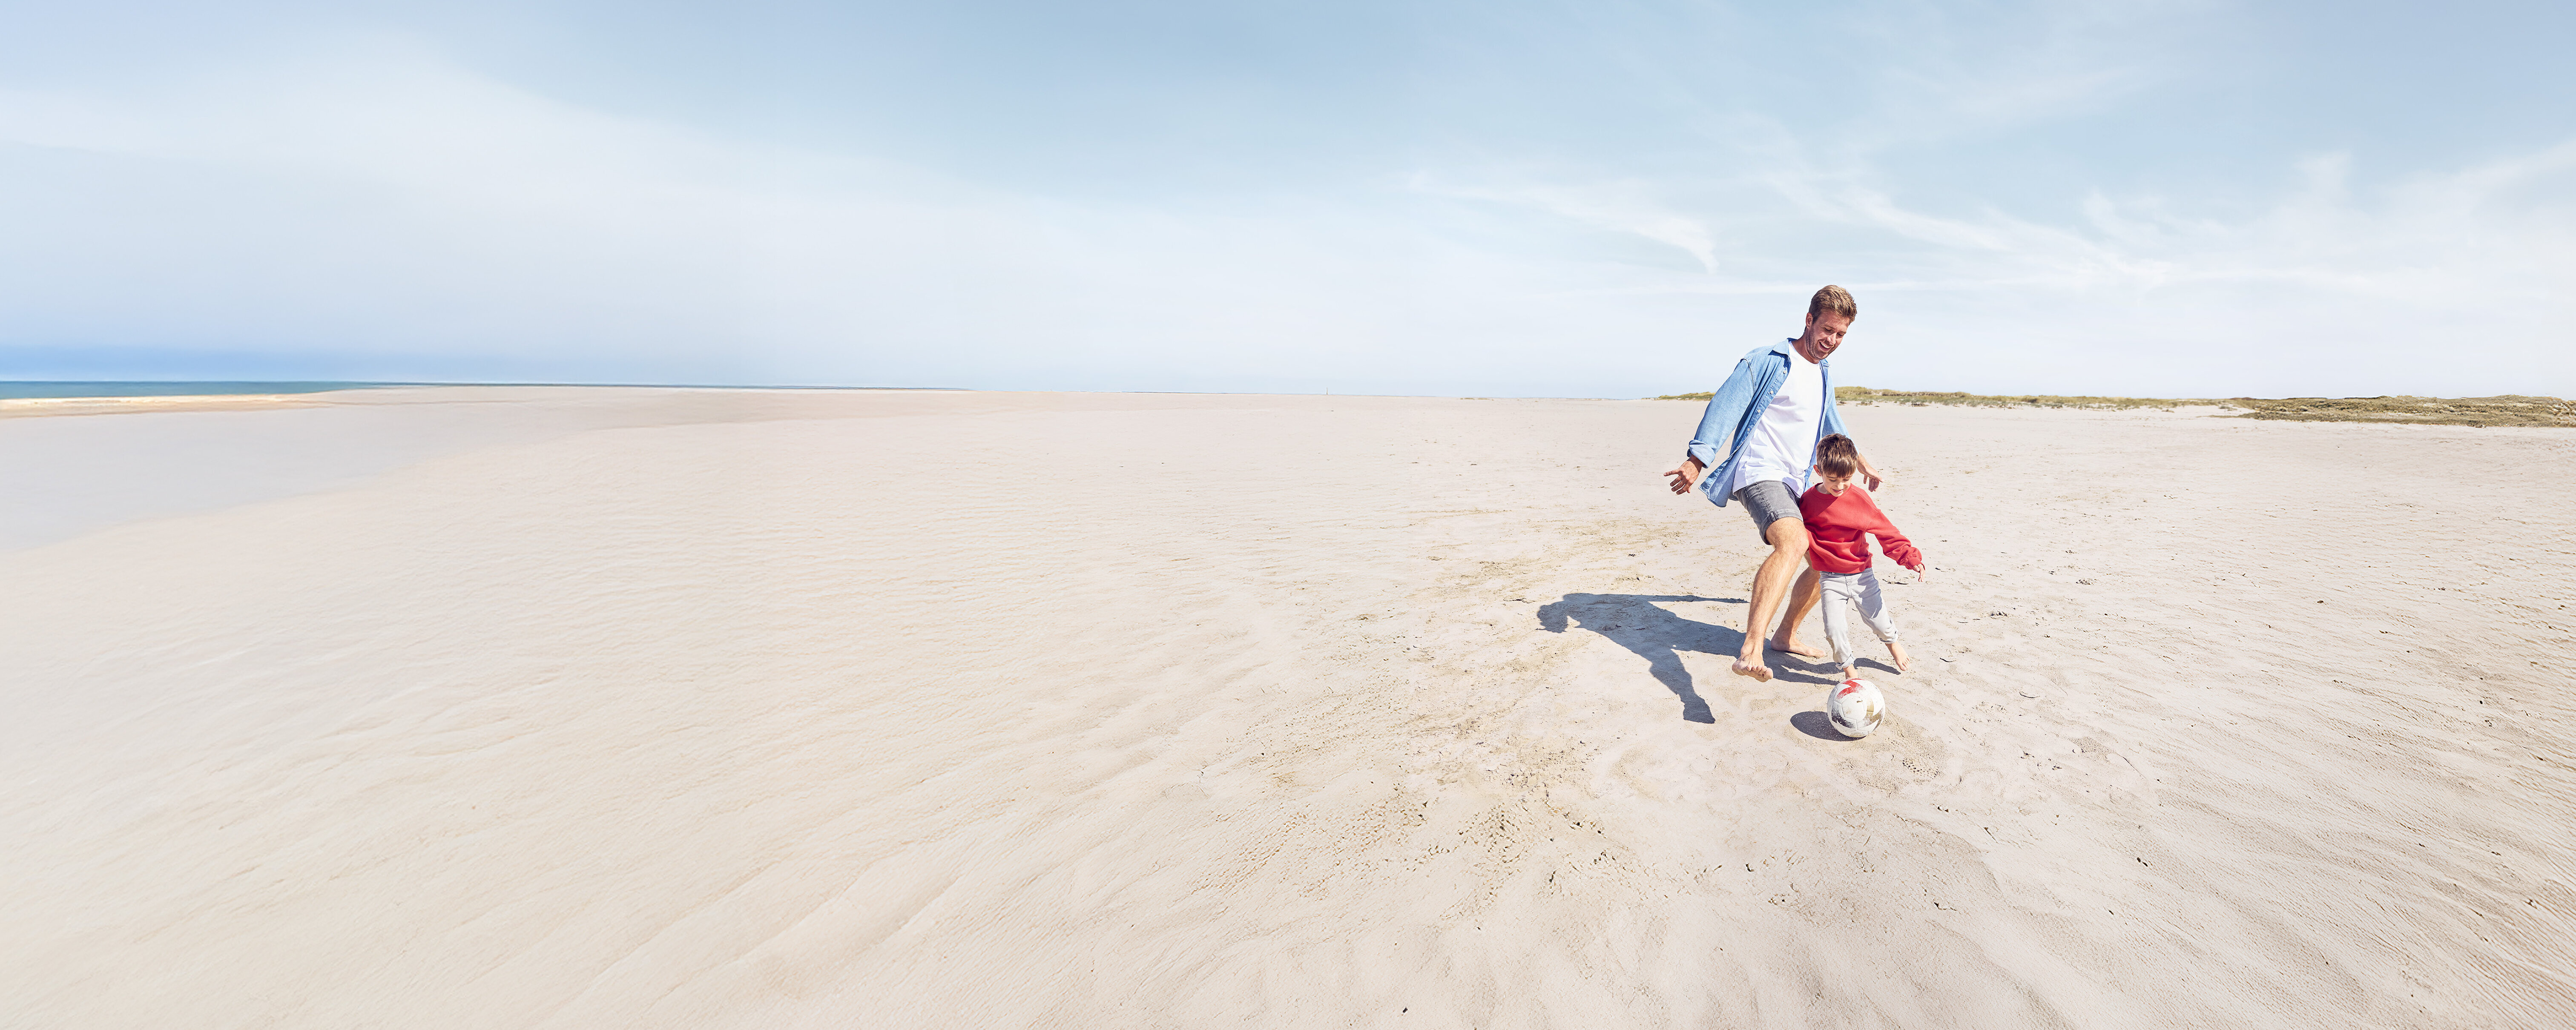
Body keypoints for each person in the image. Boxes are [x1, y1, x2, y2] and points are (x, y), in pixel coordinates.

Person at [1661, 285, 1888, 683]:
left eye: (1841, 335)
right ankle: (1752, 647)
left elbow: (1831, 423)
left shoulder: (1822, 373)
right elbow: (1725, 405)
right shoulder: (1767, 361)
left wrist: (1862, 464)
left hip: (1797, 479)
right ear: (1808, 320)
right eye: (1828, 331)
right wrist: (1697, 459)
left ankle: (1785, 636)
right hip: (1759, 471)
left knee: (1829, 557)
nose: (1832, 342)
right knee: (1793, 542)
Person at [1798, 433, 1923, 681]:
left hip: (1861, 574)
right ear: (1818, 470)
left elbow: (1886, 531)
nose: (1840, 486)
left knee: (1878, 620)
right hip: (1830, 578)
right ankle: (1848, 669)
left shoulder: (1859, 500)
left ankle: (1893, 643)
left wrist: (1910, 557)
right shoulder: (1807, 502)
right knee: (1834, 630)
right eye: (1832, 479)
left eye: (1847, 479)